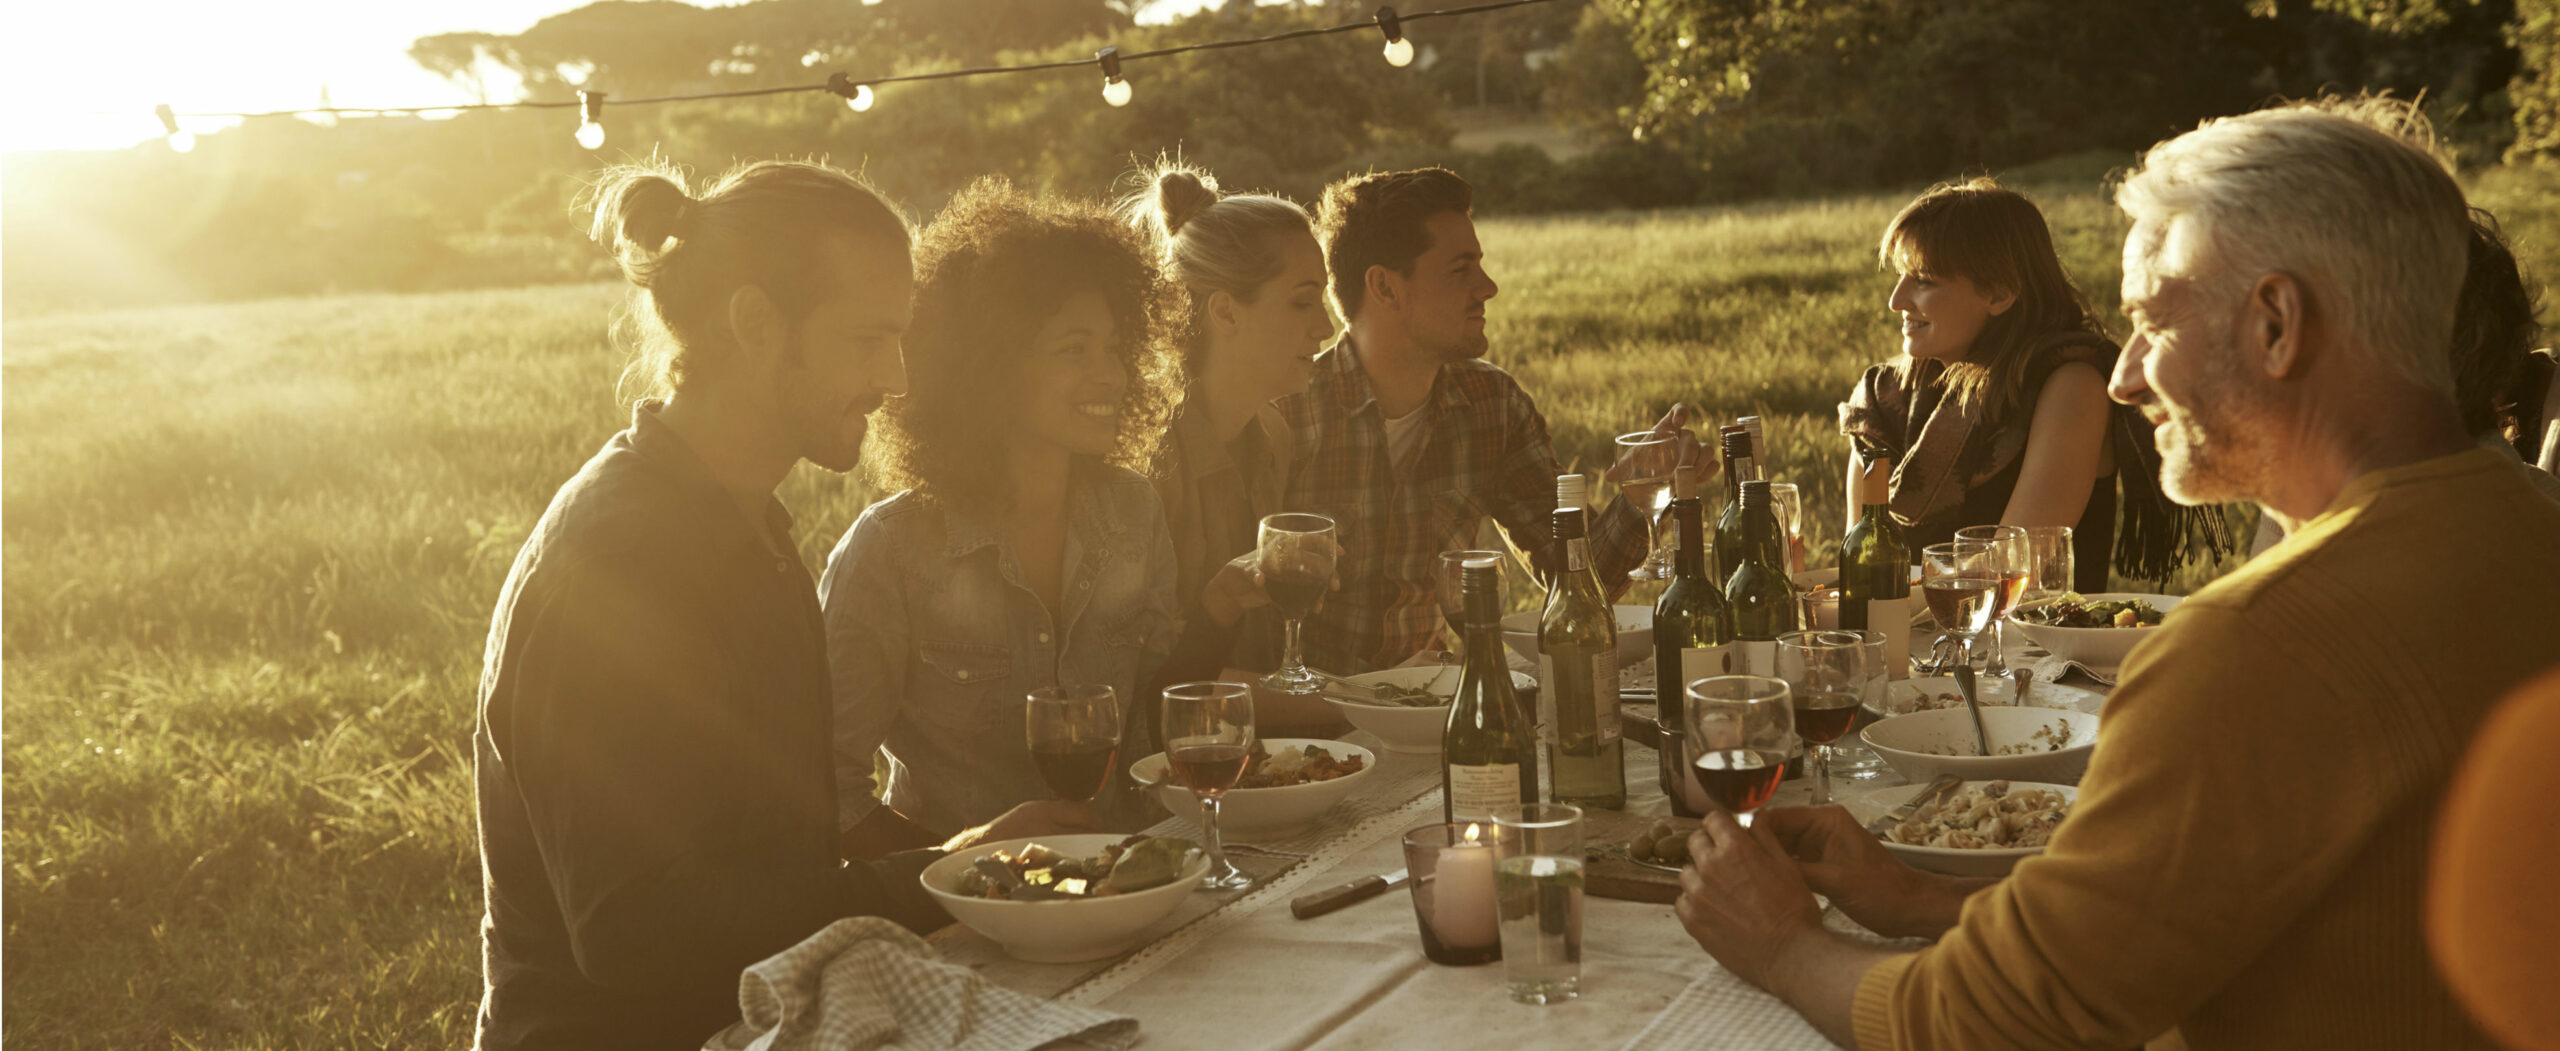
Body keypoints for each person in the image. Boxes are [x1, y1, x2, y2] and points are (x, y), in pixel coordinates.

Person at [1674, 96, 2560, 1050]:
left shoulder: (2260, 646)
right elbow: (2214, 897)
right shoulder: (2523, 526)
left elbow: (1995, 1027)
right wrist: (1917, 895)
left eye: (2151, 323)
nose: (2125, 376)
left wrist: (1779, 943)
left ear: (2275, 325)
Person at [472, 161, 1087, 1050]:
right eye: (870, 338)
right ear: (755, 324)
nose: (898, 378)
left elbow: (770, 864)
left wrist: (968, 857)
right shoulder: (623, 560)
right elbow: (636, 934)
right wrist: (948, 874)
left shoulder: (744, 523)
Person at [823, 179, 1183, 860]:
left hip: (1130, 884)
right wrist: (971, 865)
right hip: (968, 920)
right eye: (1074, 350)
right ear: (987, 366)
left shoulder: (1135, 512)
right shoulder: (892, 549)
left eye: (1114, 347)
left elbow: (1157, 731)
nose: (1109, 374)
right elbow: (829, 794)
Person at [1278, 166, 1701, 673]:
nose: (1489, 287)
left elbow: (1574, 578)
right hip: (1311, 729)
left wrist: (1637, 501)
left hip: (1436, 706)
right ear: (1385, 288)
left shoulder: (1492, 403)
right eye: (1460, 270)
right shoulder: (1288, 411)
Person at [1839, 177, 2223, 590]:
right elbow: (1858, 564)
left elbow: (2012, 572)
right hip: (1903, 641)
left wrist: (1887, 591)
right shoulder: (1882, 399)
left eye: (1925, 280)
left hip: (2033, 650)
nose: (1897, 300)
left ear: (2000, 293)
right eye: (1901, 276)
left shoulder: (2070, 385)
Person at [1119, 160, 1344, 736]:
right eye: (1302, 301)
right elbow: (1155, 684)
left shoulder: (1272, 433)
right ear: (1224, 311)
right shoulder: (1145, 462)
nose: (1327, 326)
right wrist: (1363, 706)